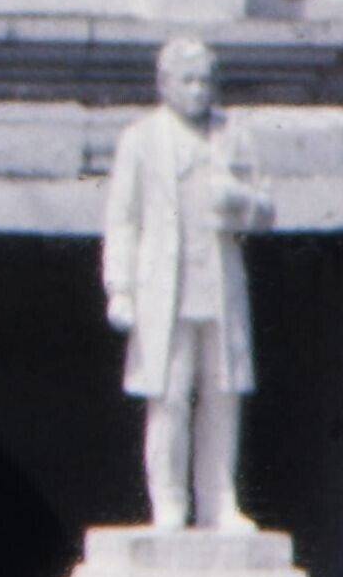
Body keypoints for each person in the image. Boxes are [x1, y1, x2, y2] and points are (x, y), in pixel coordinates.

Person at [101, 31, 255, 532]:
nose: (198, 90)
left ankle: (218, 501)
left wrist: (241, 203)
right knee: (168, 397)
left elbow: (265, 207)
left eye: (205, 81)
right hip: (164, 289)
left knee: (222, 397)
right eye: (187, 80)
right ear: (164, 83)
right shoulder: (141, 140)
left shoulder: (232, 135)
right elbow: (123, 220)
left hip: (219, 285)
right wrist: (120, 288)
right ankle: (168, 502)